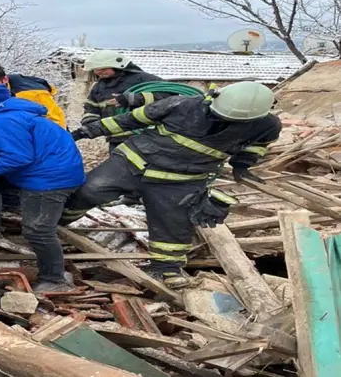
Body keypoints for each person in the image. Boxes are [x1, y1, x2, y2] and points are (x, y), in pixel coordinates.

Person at [67, 82, 281, 288]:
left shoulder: (267, 126)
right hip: (132, 162)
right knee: (88, 191)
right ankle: (56, 223)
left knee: (173, 224)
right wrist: (84, 132)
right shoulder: (180, 105)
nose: (221, 121)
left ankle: (166, 268)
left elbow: (257, 146)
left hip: (182, 179)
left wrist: (242, 165)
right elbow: (128, 120)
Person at [0, 84, 86, 293]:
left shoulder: (2, 121)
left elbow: (17, 158)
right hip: (53, 169)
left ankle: (55, 279)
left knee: (38, 230)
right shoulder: (15, 112)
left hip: (49, 179)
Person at [0, 62, 68, 230]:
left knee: (10, 174)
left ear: (4, 80)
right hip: (7, 143)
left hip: (38, 151)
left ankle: (17, 213)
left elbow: (55, 123)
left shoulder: (31, 92)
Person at [81, 50, 172, 153]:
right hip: (116, 138)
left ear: (117, 66)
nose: (98, 72)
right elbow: (91, 106)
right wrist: (90, 123)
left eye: (103, 69)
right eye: (96, 70)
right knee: (118, 167)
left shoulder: (143, 79)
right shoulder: (99, 87)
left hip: (144, 137)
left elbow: (169, 97)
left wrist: (133, 99)